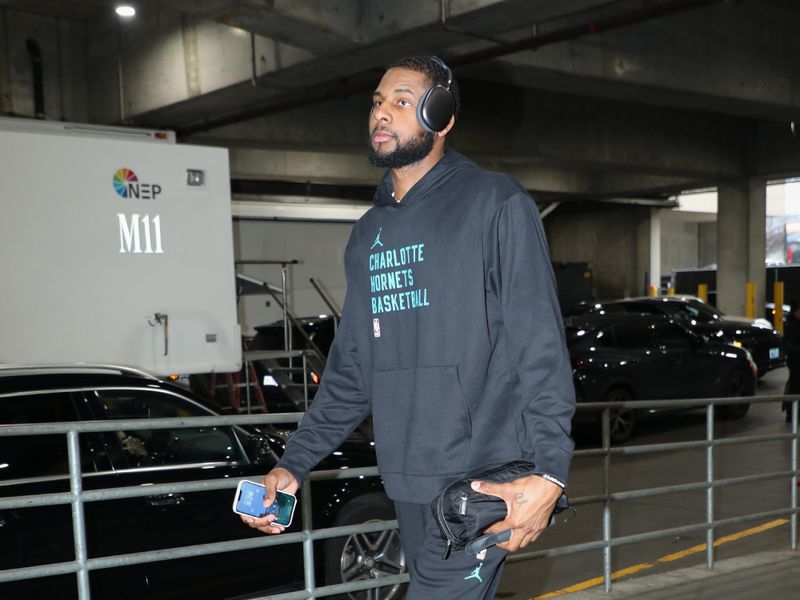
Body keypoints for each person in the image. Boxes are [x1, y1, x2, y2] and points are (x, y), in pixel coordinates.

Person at [242, 55, 576, 599]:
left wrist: (550, 473)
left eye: (401, 101)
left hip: (483, 480)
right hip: (407, 478)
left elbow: (538, 346)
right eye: (377, 102)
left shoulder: (495, 203)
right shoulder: (368, 234)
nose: (382, 114)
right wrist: (291, 466)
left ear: (440, 116)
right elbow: (351, 375)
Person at [783, 301, 800, 422]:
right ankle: (791, 413)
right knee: (795, 387)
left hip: (796, 361)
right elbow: (789, 345)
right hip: (796, 363)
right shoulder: (791, 326)